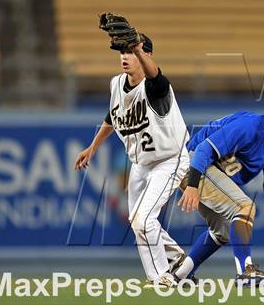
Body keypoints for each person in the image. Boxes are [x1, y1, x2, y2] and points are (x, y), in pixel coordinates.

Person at [74, 20, 189, 287]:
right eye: (122, 52)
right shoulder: (116, 84)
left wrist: (139, 49)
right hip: (140, 164)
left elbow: (157, 77)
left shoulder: (156, 88)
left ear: (145, 55)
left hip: (169, 160)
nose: (125, 57)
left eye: (131, 52)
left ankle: (162, 277)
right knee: (138, 223)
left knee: (143, 219)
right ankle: (180, 259)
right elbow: (113, 117)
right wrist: (92, 147)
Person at [174, 98, 264, 285]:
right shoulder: (249, 126)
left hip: (204, 172)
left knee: (222, 230)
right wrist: (192, 185)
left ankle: (179, 276)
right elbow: (203, 150)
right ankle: (245, 273)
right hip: (193, 165)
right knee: (245, 207)